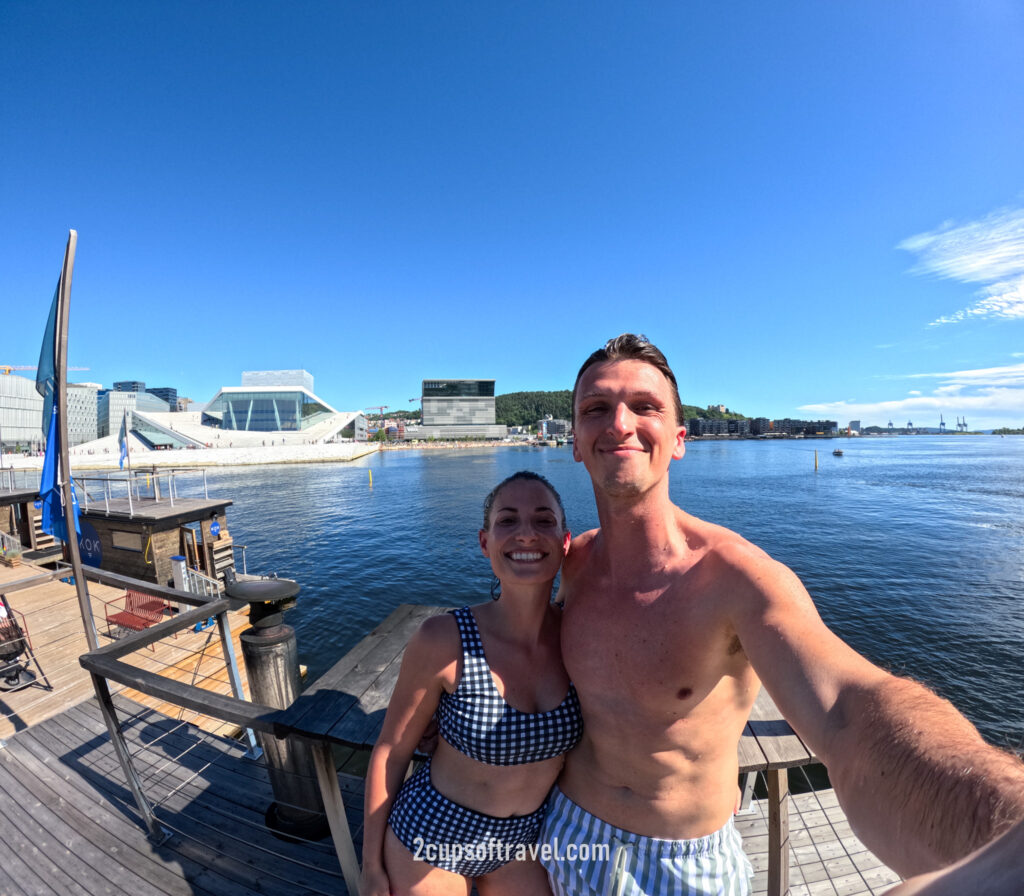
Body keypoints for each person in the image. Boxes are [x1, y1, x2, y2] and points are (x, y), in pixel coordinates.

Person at [538, 333, 1024, 896]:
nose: (619, 423)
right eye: (596, 409)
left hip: (682, 864)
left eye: (644, 407)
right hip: (565, 835)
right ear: (574, 439)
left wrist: (1001, 839)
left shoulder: (737, 580)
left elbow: (847, 710)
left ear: (678, 440)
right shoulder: (568, 565)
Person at [362, 471, 583, 896]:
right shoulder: (444, 639)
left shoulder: (579, 640)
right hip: (430, 837)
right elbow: (391, 750)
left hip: (524, 843)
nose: (525, 535)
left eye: (543, 521)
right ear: (485, 543)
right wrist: (371, 866)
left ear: (565, 541)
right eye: (507, 521)